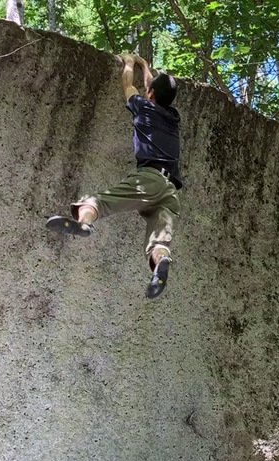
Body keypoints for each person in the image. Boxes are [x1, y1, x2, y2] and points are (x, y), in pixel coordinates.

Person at [45, 53, 183, 299]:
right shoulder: (173, 117)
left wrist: (129, 62)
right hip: (170, 192)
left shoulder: (142, 107)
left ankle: (84, 223)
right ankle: (161, 261)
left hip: (149, 179)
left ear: (150, 93)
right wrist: (144, 65)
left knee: (99, 201)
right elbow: (150, 86)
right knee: (158, 242)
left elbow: (128, 84)